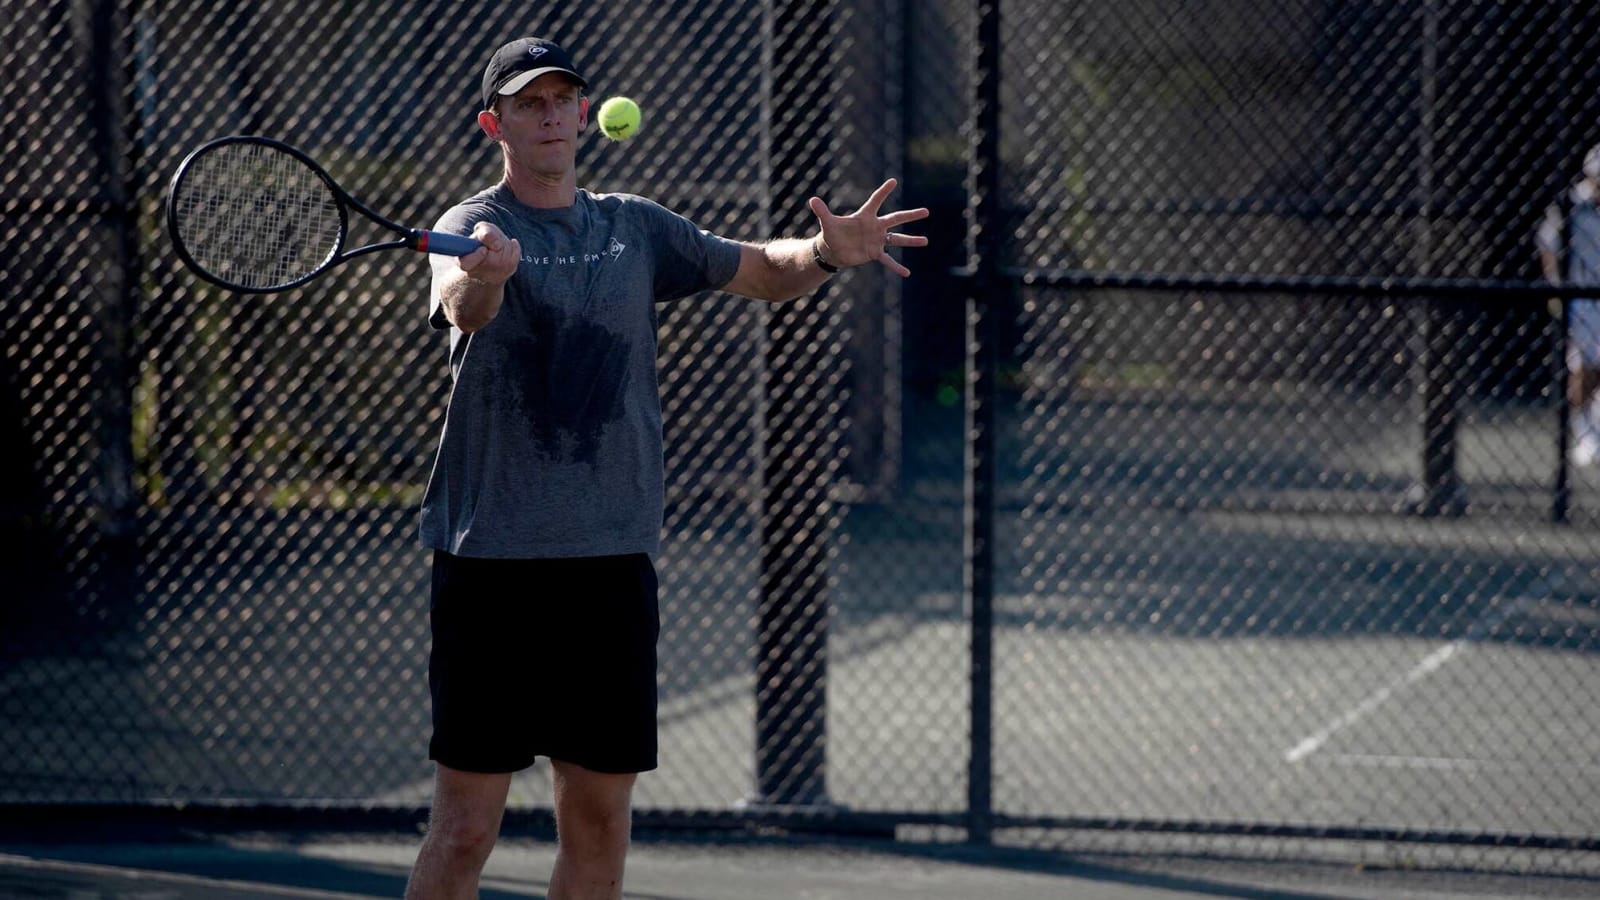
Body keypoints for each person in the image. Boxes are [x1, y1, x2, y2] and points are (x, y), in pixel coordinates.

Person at [404, 37, 928, 900]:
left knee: (600, 822)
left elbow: (763, 271)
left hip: (609, 568)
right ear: (495, 122)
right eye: (529, 103)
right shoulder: (471, 228)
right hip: (489, 564)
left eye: (562, 99)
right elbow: (464, 305)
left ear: (583, 114)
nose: (550, 116)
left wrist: (828, 252)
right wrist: (487, 276)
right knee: (464, 831)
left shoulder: (635, 227)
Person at [1538, 143, 1600, 467]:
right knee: (1583, 369)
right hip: (1583, 298)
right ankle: (1584, 434)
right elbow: (1548, 243)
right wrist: (1555, 287)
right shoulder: (1571, 205)